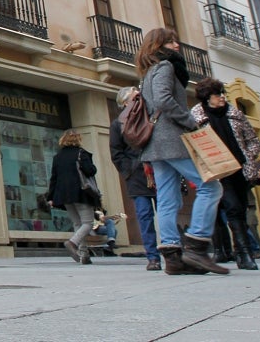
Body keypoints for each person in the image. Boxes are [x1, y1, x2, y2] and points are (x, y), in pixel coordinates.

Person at [136, 28, 227, 275]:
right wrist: (190, 121)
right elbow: (164, 101)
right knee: (211, 186)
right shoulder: (165, 67)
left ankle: (172, 256)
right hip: (170, 139)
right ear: (159, 45)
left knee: (167, 199)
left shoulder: (147, 73)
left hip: (156, 143)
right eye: (171, 41)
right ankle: (196, 245)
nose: (177, 45)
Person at [190, 78, 260, 271]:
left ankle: (230, 251)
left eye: (223, 94)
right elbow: (191, 145)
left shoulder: (235, 113)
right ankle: (243, 253)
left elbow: (253, 140)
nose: (222, 98)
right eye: (217, 94)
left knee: (240, 208)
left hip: (240, 169)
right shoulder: (196, 118)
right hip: (217, 170)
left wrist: (248, 155)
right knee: (232, 208)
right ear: (207, 98)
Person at [110, 85, 161, 270]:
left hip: (157, 170)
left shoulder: (150, 115)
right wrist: (129, 171)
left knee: (166, 210)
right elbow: (116, 152)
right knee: (145, 215)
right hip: (137, 175)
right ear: (125, 103)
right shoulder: (118, 125)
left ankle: (173, 250)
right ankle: (153, 256)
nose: (139, 100)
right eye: (134, 98)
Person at [46, 129, 99, 264]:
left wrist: (50, 197)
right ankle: (72, 243)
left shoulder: (58, 157)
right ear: (78, 140)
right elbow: (91, 170)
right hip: (81, 192)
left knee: (77, 223)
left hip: (64, 195)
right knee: (88, 223)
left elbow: (54, 178)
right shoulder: (81, 153)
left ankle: (84, 255)